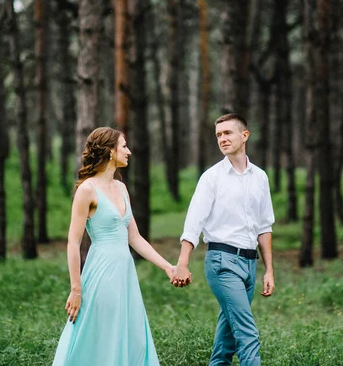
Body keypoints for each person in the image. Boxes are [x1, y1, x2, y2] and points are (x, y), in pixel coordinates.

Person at [52, 127, 176, 366]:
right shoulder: (87, 190)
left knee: (132, 335)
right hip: (102, 272)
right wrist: (76, 289)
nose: (129, 151)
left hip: (125, 274)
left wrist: (167, 267)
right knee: (103, 335)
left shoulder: (121, 188)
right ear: (110, 152)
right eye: (124, 146)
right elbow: (73, 242)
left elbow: (135, 238)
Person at [172, 113, 275, 366]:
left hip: (250, 264)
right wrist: (182, 262)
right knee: (246, 330)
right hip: (222, 262)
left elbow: (264, 227)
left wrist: (269, 270)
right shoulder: (212, 177)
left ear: (245, 135)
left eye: (228, 133)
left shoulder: (260, 177)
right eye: (218, 135)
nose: (222, 139)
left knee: (227, 336)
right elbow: (193, 223)